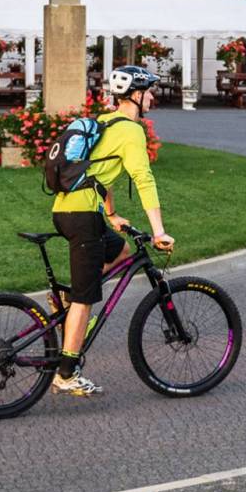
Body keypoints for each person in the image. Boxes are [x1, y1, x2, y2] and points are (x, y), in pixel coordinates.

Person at [50, 63, 173, 397]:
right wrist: (159, 231)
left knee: (121, 250)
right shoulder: (131, 131)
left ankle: (69, 303)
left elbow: (98, 172)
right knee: (85, 298)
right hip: (82, 217)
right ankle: (66, 373)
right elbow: (143, 179)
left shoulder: (105, 121)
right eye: (148, 92)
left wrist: (113, 214)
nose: (152, 98)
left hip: (65, 211)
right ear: (135, 95)